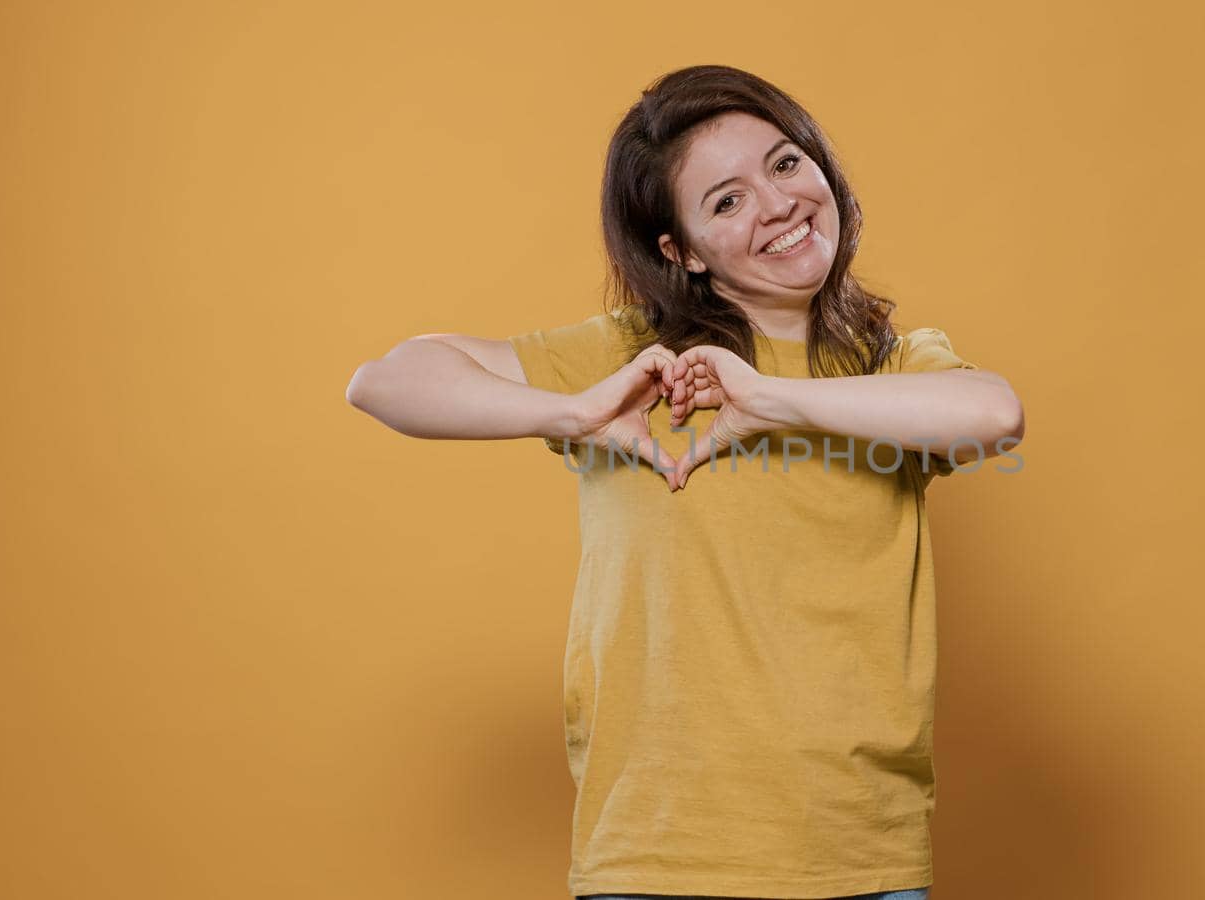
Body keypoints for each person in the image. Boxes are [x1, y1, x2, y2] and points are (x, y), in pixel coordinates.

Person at [347, 64, 1024, 900]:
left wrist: (770, 398)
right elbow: (386, 381)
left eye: (784, 164)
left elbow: (993, 414)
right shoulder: (630, 360)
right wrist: (574, 413)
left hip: (855, 848)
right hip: (655, 847)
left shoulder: (887, 365)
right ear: (682, 252)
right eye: (725, 201)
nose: (777, 205)